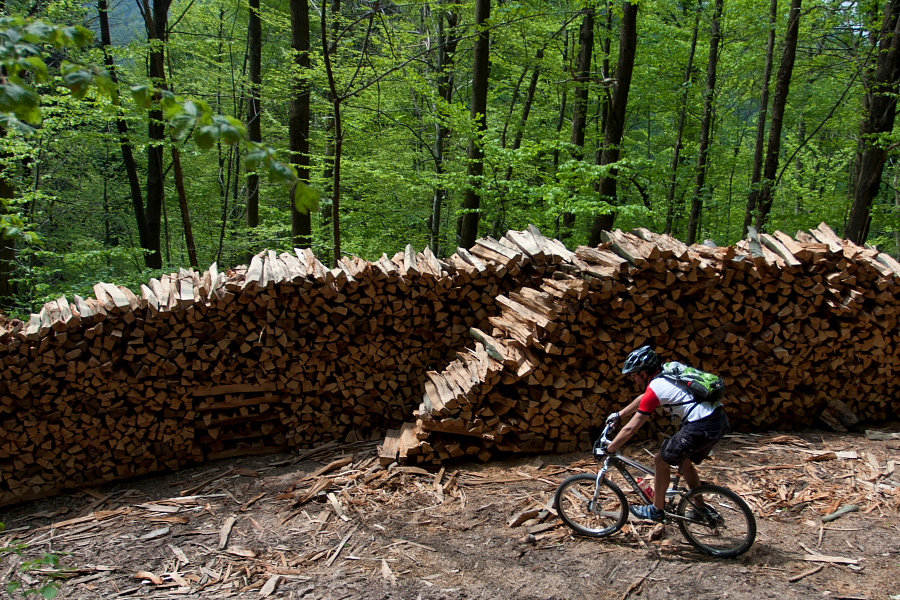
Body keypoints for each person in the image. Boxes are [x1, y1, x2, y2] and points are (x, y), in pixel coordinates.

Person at [602, 345, 729, 522]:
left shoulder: (656, 388)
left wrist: (610, 448)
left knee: (660, 459)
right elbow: (644, 397)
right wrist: (619, 414)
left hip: (701, 425)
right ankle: (701, 510)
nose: (633, 379)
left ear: (644, 374)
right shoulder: (668, 372)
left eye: (634, 375)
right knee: (685, 463)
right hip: (719, 420)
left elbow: (631, 428)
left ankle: (657, 510)